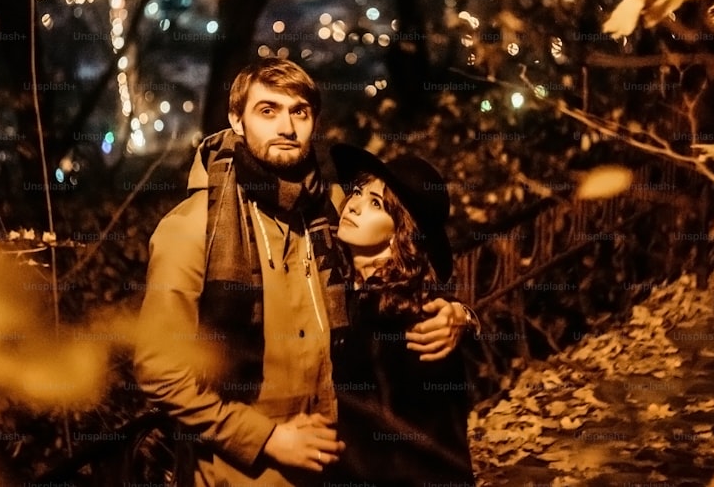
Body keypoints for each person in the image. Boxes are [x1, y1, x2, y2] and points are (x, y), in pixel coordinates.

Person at [133, 58, 477, 486]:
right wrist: (266, 438)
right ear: (236, 120)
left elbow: (396, 267)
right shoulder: (192, 229)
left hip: (335, 464)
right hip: (241, 474)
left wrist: (458, 313)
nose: (286, 127)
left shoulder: (329, 209)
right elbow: (158, 370)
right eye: (267, 110)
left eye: (299, 111)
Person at [326, 144, 477, 486]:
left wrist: (463, 317)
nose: (354, 206)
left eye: (376, 204)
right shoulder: (348, 289)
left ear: (399, 234)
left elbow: (433, 447)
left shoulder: (411, 320)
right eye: (359, 193)